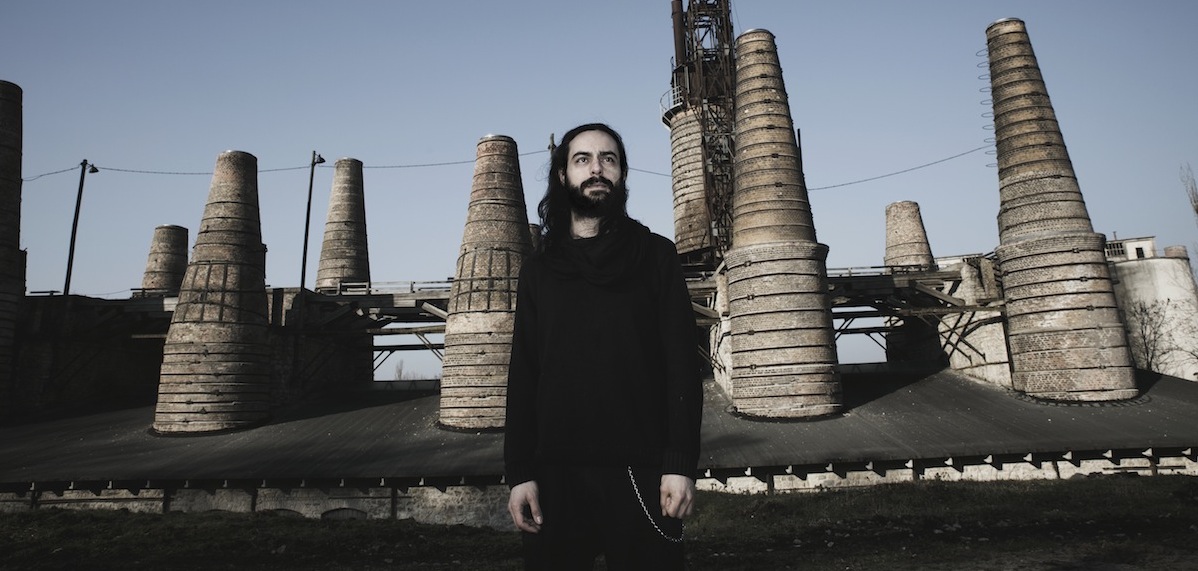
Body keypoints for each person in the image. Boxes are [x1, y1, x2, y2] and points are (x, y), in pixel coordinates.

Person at [504, 122, 703, 570]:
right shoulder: (539, 270)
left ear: (622, 174)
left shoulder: (656, 256)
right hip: (555, 476)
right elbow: (524, 375)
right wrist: (520, 473)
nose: (597, 169)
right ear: (563, 175)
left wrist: (680, 464)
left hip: (643, 472)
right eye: (583, 160)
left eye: (608, 159)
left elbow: (681, 367)